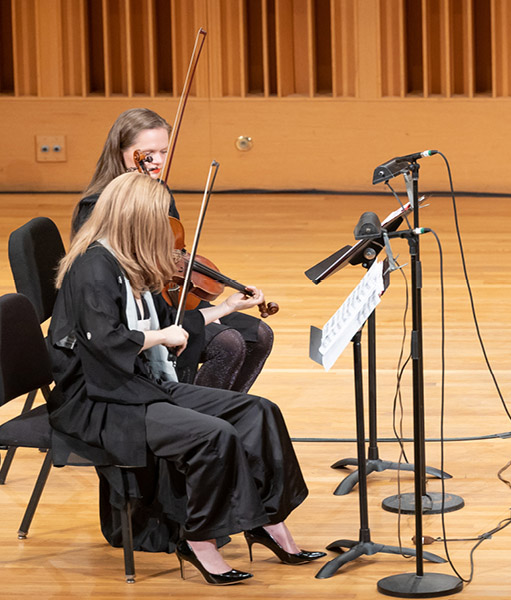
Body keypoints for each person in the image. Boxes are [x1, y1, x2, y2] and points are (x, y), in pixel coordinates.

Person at [48, 172, 324, 584]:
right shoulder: (93, 269)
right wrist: (162, 337)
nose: (167, 233)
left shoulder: (128, 263)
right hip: (100, 400)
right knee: (214, 434)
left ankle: (268, 522)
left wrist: (226, 308)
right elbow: (106, 341)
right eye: (159, 220)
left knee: (259, 412)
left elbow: (170, 321)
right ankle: (198, 540)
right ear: (136, 221)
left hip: (139, 384)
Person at [72, 108, 272, 393]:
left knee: (260, 335)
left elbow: (174, 253)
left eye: (164, 151)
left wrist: (207, 298)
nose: (157, 161)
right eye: (148, 153)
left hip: (167, 296)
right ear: (121, 152)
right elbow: (113, 281)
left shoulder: (157, 191)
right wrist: (204, 314)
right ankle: (188, 412)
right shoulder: (99, 205)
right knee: (228, 344)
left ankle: (224, 415)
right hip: (138, 312)